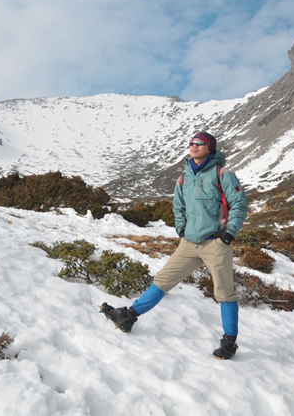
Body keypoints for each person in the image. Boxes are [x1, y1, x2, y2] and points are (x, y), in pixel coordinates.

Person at [100, 131, 248, 360]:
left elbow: (239, 203)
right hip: (189, 244)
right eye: (191, 143)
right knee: (162, 280)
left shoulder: (222, 174)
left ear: (210, 147)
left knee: (224, 292)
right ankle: (128, 317)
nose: (193, 146)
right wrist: (181, 229)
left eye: (199, 143)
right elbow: (178, 206)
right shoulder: (184, 177)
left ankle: (229, 342)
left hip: (216, 244)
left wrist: (229, 233)